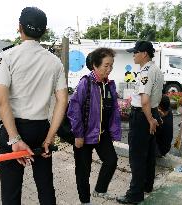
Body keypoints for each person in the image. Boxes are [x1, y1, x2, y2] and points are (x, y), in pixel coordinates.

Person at [0, 7, 68, 205]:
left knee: (11, 189)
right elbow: (62, 100)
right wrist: (50, 136)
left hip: (13, 128)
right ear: (44, 31)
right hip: (41, 129)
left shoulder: (7, 57)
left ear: (19, 28)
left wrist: (14, 137)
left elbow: (2, 101)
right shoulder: (55, 62)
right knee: (45, 186)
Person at [68, 47, 121, 205]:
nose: (109, 69)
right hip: (84, 135)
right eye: (106, 65)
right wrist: (78, 134)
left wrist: (113, 131)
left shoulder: (109, 85)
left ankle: (100, 190)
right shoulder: (86, 83)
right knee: (83, 171)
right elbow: (74, 109)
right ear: (95, 65)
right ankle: (85, 201)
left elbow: (114, 110)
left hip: (102, 134)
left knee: (111, 160)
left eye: (111, 65)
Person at [117, 40, 164, 204]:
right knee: (149, 154)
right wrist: (153, 117)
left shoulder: (145, 71)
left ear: (144, 53)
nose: (133, 55)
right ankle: (147, 185)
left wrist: (150, 119)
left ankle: (134, 194)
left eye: (135, 52)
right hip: (152, 113)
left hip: (143, 116)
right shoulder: (156, 69)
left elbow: (144, 100)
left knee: (137, 156)